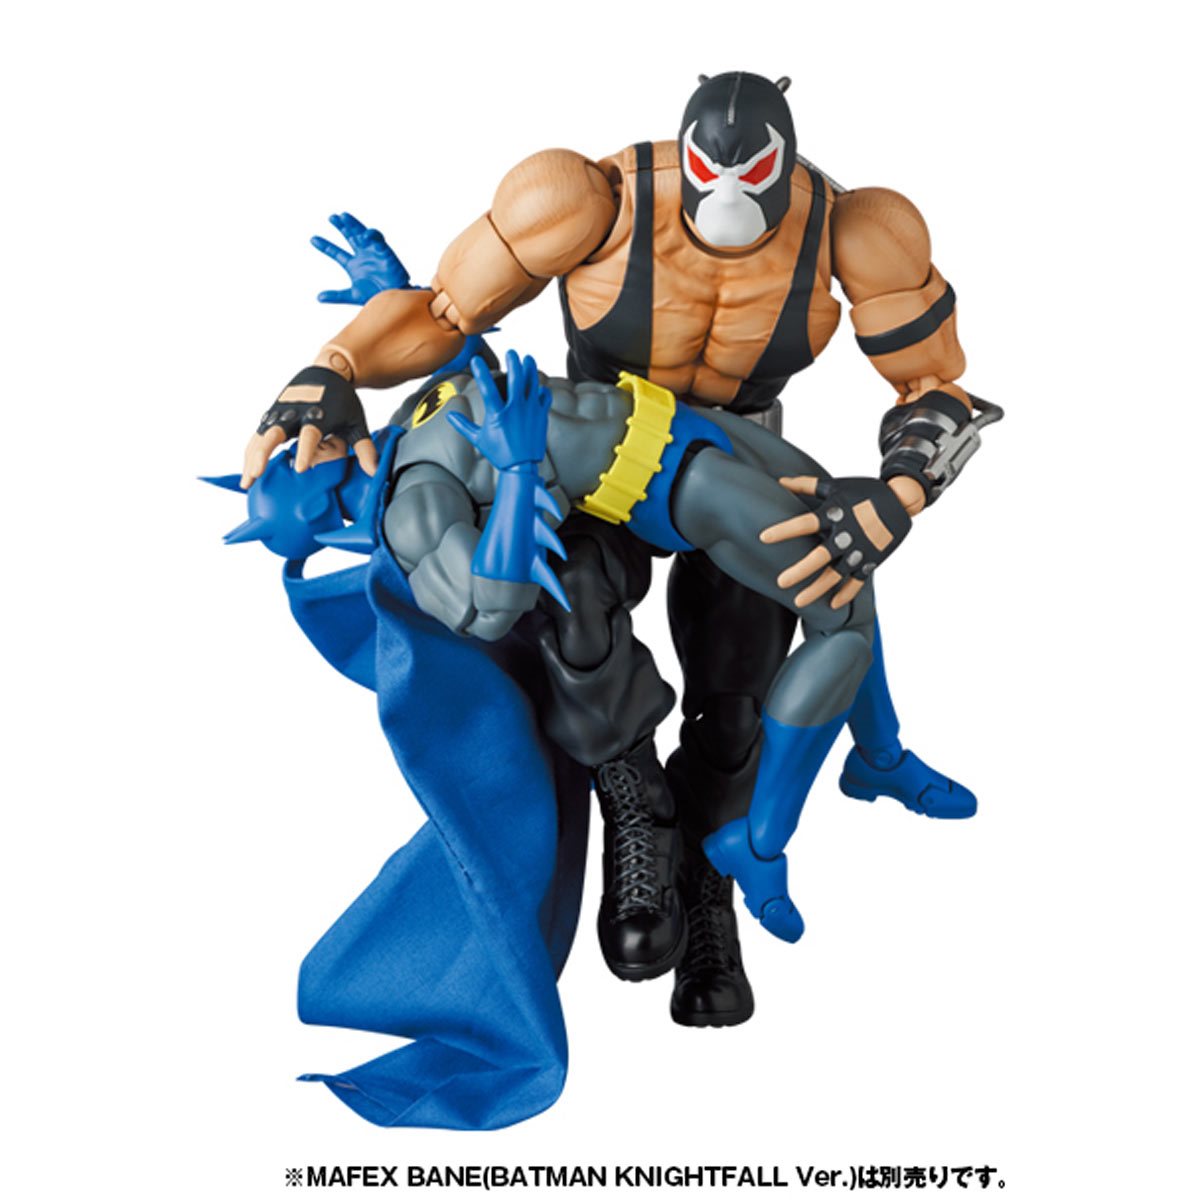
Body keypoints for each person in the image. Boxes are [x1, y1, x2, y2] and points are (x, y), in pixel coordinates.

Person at [242, 71, 996, 1028]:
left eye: (756, 175)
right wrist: (331, 368)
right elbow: (445, 318)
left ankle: (713, 881)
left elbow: (934, 386)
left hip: (725, 449)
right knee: (575, 612)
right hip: (593, 474)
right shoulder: (585, 199)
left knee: (752, 667)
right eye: (711, 172)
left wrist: (899, 491)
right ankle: (638, 803)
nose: (730, 193)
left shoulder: (857, 229)